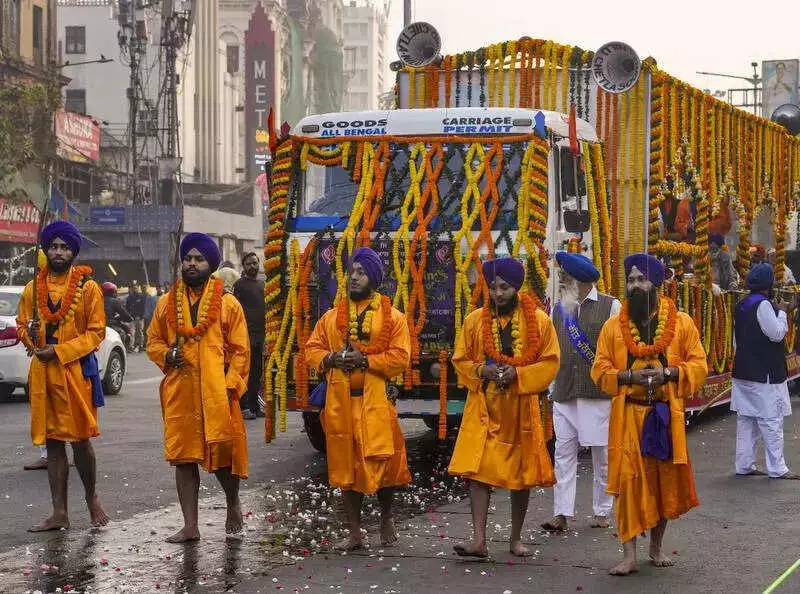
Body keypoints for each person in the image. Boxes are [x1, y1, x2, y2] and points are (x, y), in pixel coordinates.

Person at [591, 253, 708, 576]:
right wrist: (628, 377)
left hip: (663, 416)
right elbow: (599, 370)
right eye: (631, 280)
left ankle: (655, 548)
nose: (636, 285)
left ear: (656, 284)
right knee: (627, 483)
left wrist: (669, 374)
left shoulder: (681, 323)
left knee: (663, 482)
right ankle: (628, 554)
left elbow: (699, 365)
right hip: (628, 415)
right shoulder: (613, 327)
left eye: (642, 279)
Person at [449, 257, 560, 558]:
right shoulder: (475, 321)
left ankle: (515, 539)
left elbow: (550, 362)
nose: (498, 294)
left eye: (504, 288)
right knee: (478, 472)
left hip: (520, 408)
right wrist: (481, 371)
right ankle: (479, 540)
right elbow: (460, 360)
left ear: (517, 288)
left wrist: (519, 374)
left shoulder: (539, 321)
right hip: (485, 406)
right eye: (493, 287)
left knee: (520, 476)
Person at [146, 232, 251, 542]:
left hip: (217, 391)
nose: (192, 264)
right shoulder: (167, 302)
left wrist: (231, 386)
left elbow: (242, 351)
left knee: (222, 456)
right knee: (183, 457)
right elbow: (153, 340)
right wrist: (167, 354)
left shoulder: (228, 304)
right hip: (180, 389)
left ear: (211, 265)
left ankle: (232, 501)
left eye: (199, 259)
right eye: (188, 259)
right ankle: (190, 525)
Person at [305, 247, 411, 551]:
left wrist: (365, 361)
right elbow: (312, 348)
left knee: (385, 464)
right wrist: (332, 358)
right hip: (340, 404)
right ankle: (354, 531)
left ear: (374, 278)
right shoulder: (331, 317)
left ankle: (387, 516)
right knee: (346, 469)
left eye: (361, 272)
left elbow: (400, 357)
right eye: (351, 271)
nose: (353, 277)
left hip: (376, 403)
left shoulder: (393, 317)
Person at [16, 220, 109, 531]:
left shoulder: (88, 288)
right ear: (46, 250)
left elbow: (96, 333)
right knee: (54, 443)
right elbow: (20, 325)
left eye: (64, 247)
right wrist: (31, 337)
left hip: (75, 374)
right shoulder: (32, 289)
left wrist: (58, 351)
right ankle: (59, 513)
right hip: (43, 374)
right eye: (53, 246)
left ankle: (92, 498)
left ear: (74, 252)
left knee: (80, 441)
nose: (58, 252)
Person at [541, 252, 620, 533]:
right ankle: (561, 512)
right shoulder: (559, 308)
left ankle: (602, 511)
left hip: (597, 394)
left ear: (583, 282)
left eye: (567, 279)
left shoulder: (611, 307)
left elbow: (618, 349)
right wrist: (551, 385)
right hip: (564, 392)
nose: (562, 283)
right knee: (563, 454)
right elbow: (554, 350)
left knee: (602, 455)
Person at [731, 264, 798, 480]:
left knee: (747, 420)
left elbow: (736, 341)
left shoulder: (742, 304)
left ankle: (744, 465)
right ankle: (777, 468)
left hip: (744, 372)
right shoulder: (764, 306)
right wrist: (782, 313)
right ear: (768, 286)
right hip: (763, 374)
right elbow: (777, 334)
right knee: (771, 420)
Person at [232, 253, 265, 420]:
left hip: (261, 335)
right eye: (249, 264)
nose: (252, 266)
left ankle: (254, 405)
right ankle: (244, 406)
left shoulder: (263, 285)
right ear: (243, 266)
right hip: (245, 335)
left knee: (257, 372)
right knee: (246, 371)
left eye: (254, 263)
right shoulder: (239, 285)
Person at [126, 282, 146, 352]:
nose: (135, 289)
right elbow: (127, 308)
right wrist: (129, 317)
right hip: (132, 318)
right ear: (132, 289)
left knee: (140, 332)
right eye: (134, 288)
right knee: (132, 333)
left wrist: (140, 316)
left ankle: (141, 346)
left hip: (140, 318)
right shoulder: (129, 298)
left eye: (136, 288)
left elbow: (143, 308)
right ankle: (131, 347)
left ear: (138, 289)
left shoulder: (141, 297)